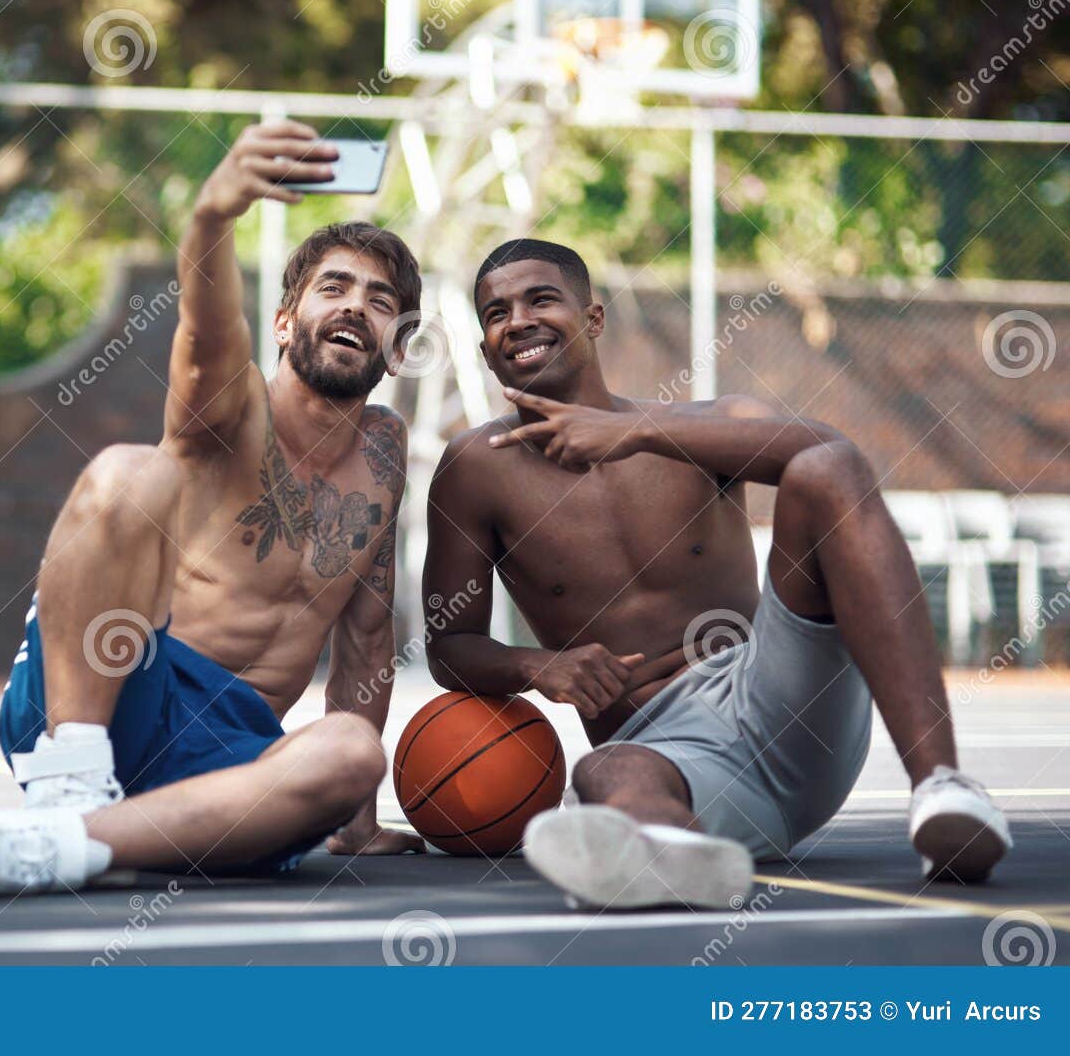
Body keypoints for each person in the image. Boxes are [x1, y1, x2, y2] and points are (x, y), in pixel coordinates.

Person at [422, 237, 1011, 909]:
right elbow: (448, 647)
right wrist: (540, 667)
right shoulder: (473, 469)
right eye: (495, 312)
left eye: (541, 299)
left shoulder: (697, 423)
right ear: (484, 347)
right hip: (663, 747)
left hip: (782, 694)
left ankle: (943, 789)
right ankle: (675, 851)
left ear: (593, 318)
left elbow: (836, 458)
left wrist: (639, 431)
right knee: (604, 768)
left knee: (819, 469)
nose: (517, 320)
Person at [0, 121, 426, 900]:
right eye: (334, 287)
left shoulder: (386, 453)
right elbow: (205, 335)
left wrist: (356, 823)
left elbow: (365, 637)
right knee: (131, 472)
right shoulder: (234, 408)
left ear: (401, 342)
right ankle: (73, 785)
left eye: (380, 299)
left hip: (228, 752)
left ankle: (57, 847)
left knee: (353, 750)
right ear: (284, 322)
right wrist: (212, 218)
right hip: (117, 690)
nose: (357, 307)